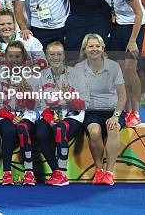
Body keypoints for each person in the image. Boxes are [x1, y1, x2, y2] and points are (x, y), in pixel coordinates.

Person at [98, 0, 145, 127]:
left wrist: (133, 40)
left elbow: (140, 13)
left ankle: (136, 111)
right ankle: (125, 110)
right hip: (117, 27)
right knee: (119, 72)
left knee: (130, 70)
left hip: (135, 27)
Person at [76, 33, 127, 186]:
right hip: (91, 112)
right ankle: (99, 170)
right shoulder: (78, 68)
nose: (94, 49)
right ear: (84, 49)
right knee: (94, 131)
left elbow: (123, 96)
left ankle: (109, 172)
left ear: (103, 48)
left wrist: (116, 116)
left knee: (113, 128)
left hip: (113, 110)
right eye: (90, 46)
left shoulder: (114, 66)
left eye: (97, 46)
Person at [35, 41, 87, 186]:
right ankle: (56, 172)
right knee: (40, 132)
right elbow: (40, 103)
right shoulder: (41, 76)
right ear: (46, 56)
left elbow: (83, 103)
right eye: (52, 54)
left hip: (73, 116)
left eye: (59, 54)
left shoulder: (76, 74)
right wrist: (49, 118)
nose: (55, 57)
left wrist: (70, 97)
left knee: (60, 129)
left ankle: (62, 174)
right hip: (52, 116)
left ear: (64, 56)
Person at [0, 41, 40, 186]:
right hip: (4, 114)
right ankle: (7, 173)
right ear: (5, 57)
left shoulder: (32, 76)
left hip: (26, 114)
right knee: (8, 131)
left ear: (23, 58)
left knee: (23, 129)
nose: (14, 59)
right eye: (10, 56)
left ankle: (29, 172)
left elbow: (35, 106)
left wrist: (28, 94)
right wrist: (10, 116)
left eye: (17, 56)